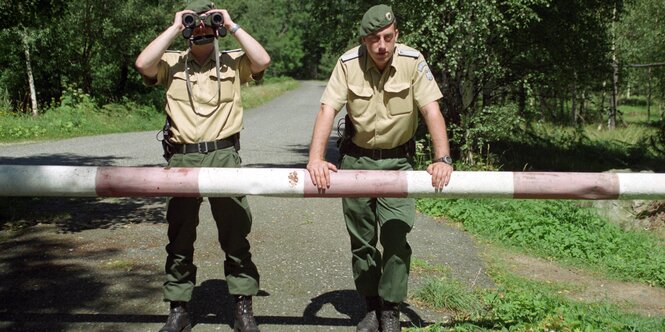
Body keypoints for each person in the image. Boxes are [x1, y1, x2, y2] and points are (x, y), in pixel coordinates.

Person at [306, 4, 454, 332]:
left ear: (396, 35)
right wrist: (315, 158)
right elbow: (327, 110)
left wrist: (442, 158)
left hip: (398, 162)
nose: (382, 46)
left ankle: (390, 307)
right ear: (364, 40)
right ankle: (371, 306)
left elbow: (431, 110)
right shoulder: (347, 63)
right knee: (362, 241)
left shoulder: (412, 62)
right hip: (356, 161)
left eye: (387, 37)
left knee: (396, 236)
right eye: (374, 39)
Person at [135, 1, 270, 331]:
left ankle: (242, 307)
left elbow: (263, 60)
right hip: (182, 156)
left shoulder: (232, 63)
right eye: (194, 23)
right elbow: (142, 64)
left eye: (208, 22)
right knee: (180, 236)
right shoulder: (171, 64)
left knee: (235, 233)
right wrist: (174, 27)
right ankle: (179, 308)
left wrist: (231, 23)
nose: (201, 28)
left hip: (224, 155)